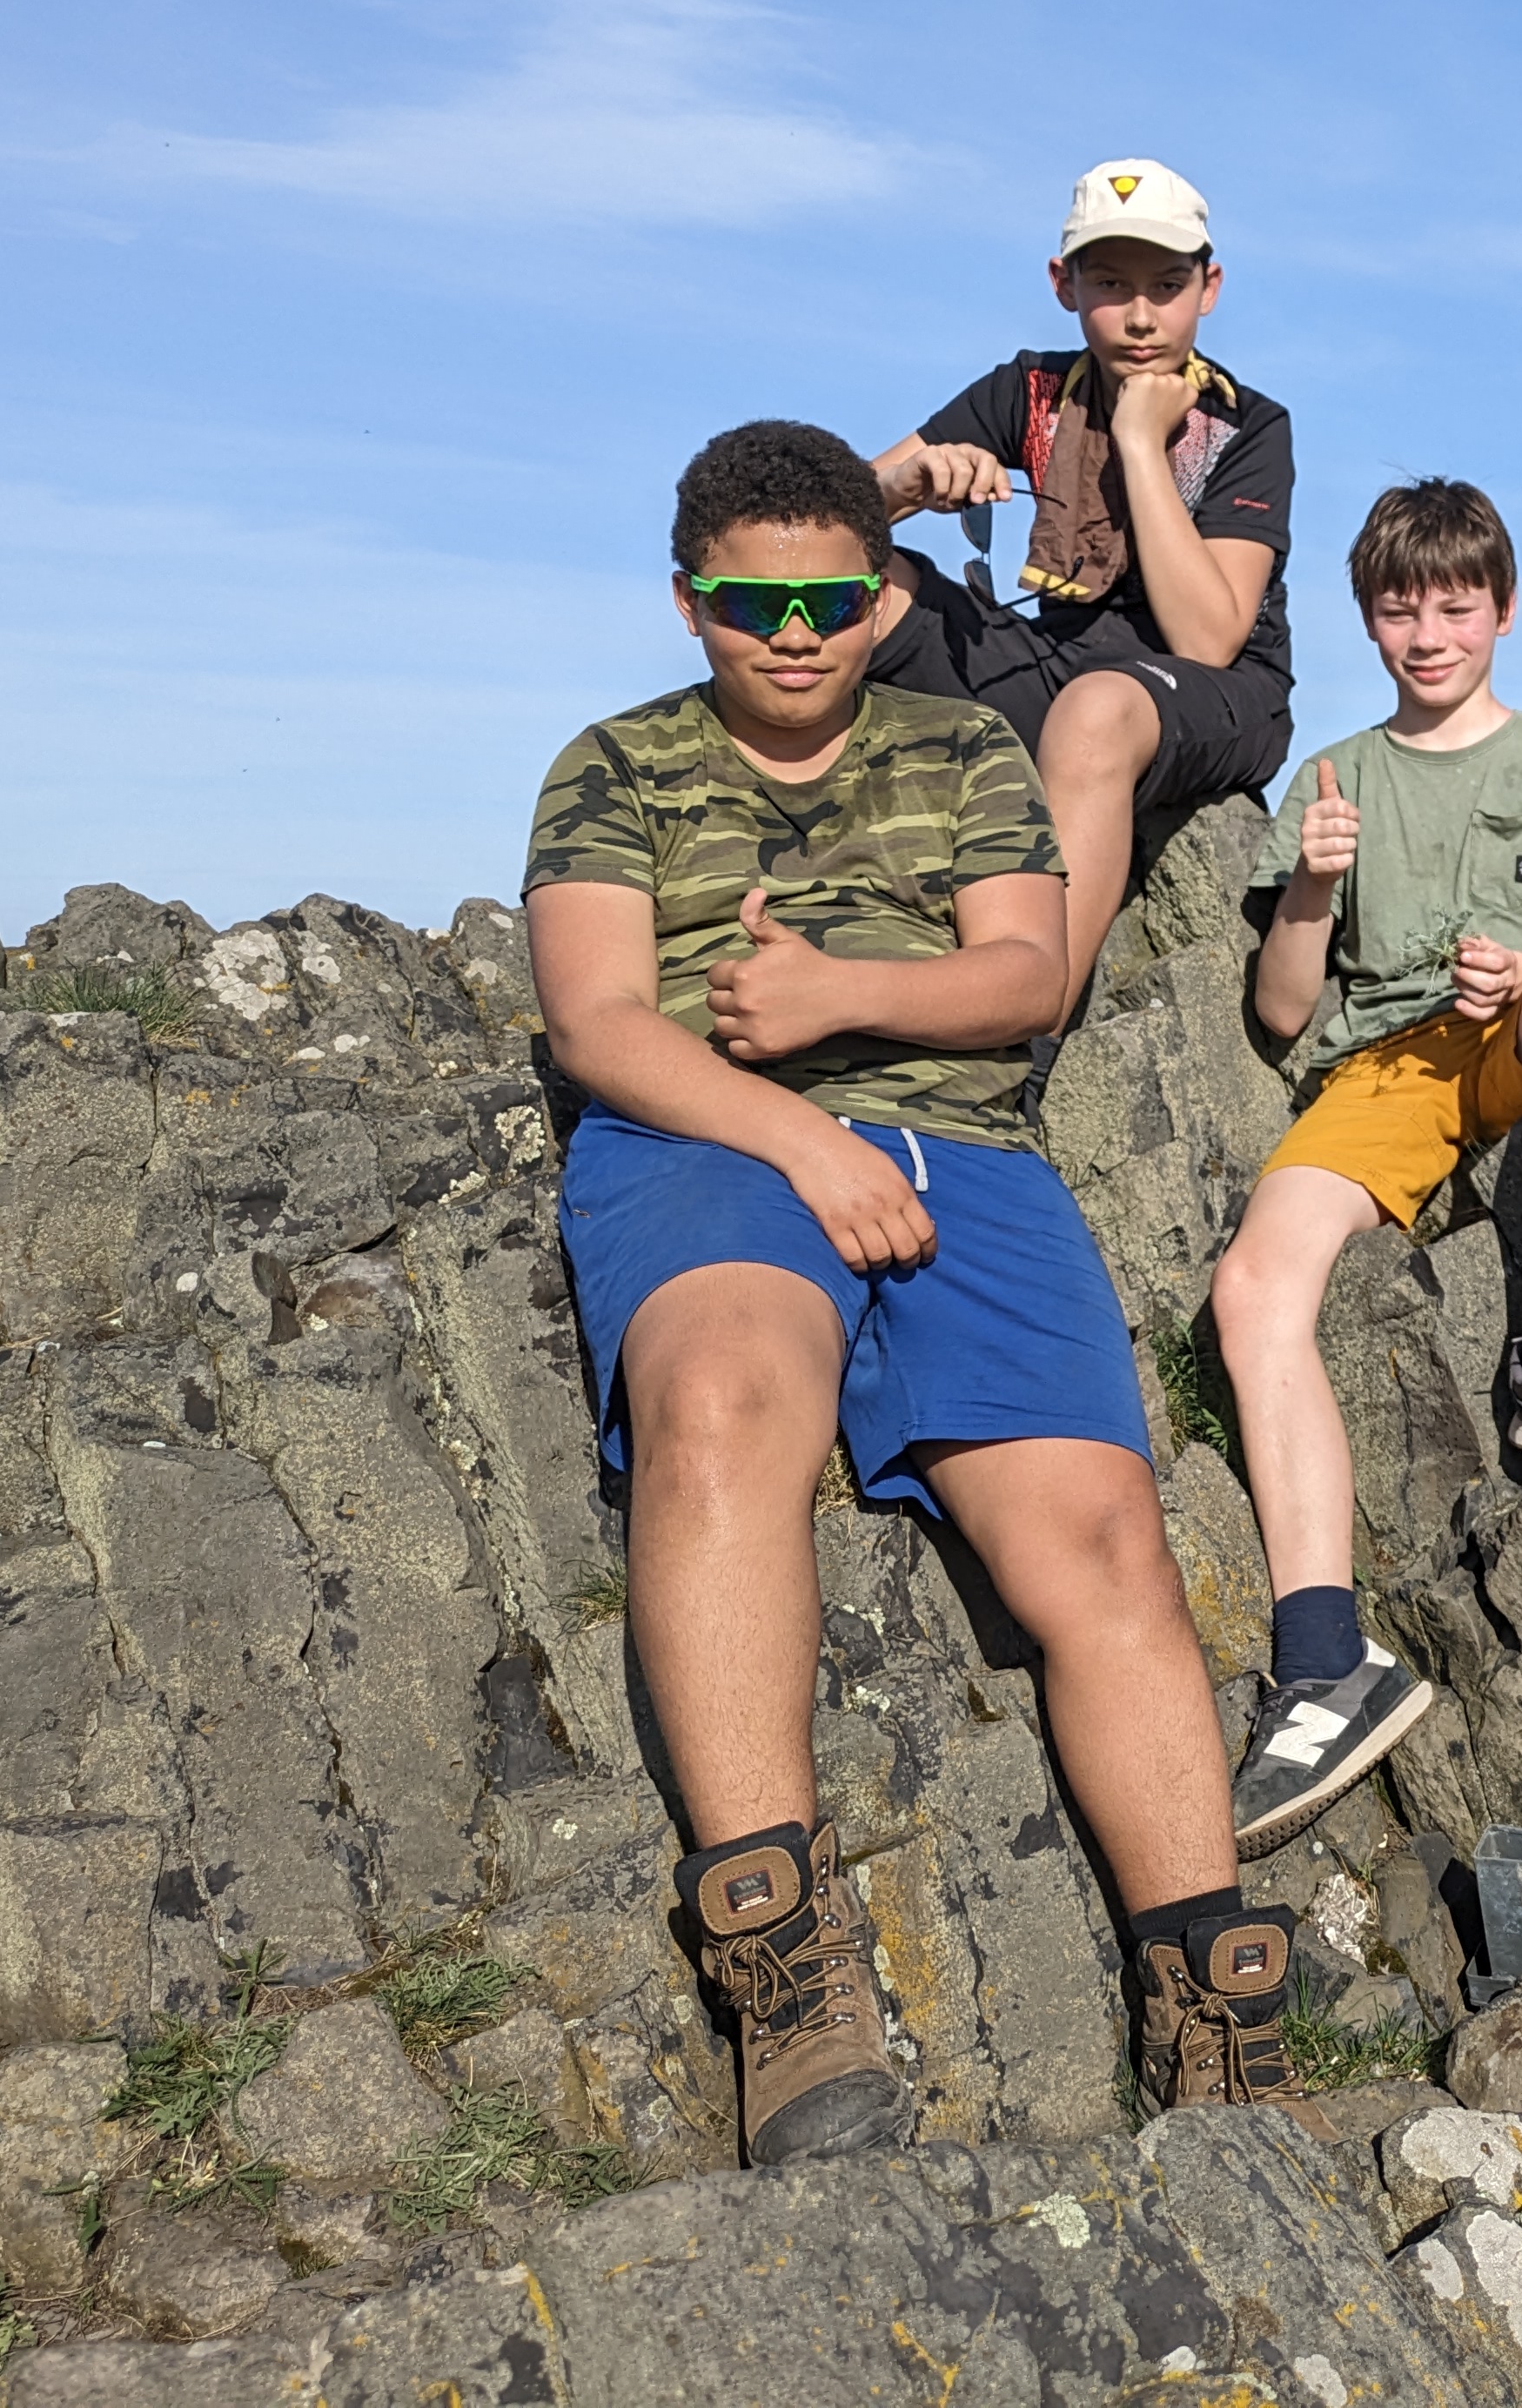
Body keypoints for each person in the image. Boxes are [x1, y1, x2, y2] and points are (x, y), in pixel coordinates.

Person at [522, 419, 1303, 2162]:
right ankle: (783, 1971)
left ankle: (1211, 2005)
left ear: (881, 594)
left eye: (829, 597)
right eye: (753, 604)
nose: (794, 634)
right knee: (717, 1400)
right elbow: (599, 1020)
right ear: (689, 601)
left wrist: (833, 997)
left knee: (1099, 1536)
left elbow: (1024, 975)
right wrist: (799, 1132)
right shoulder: (613, 765)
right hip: (706, 1135)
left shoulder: (963, 749)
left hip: (963, 1155)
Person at [1210, 480, 1522, 1855]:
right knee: (1251, 1289)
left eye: (1457, 607)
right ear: (1368, 620)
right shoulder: (1337, 775)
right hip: (1384, 1067)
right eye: (1402, 609)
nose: (1429, 634)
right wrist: (1309, 887)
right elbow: (1282, 1011)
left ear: (1504, 613)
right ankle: (1322, 1658)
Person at [869, 158, 1297, 1030]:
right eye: (1110, 283)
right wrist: (908, 485)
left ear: (1209, 288)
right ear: (1064, 284)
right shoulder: (1027, 390)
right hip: (1057, 666)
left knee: (1098, 709)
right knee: (859, 586)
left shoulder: (1248, 425)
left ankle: (1024, 1035)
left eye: (1166, 285)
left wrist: (1140, 441)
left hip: (1214, 692)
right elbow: (813, 523)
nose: (1140, 315)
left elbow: (1209, 637)